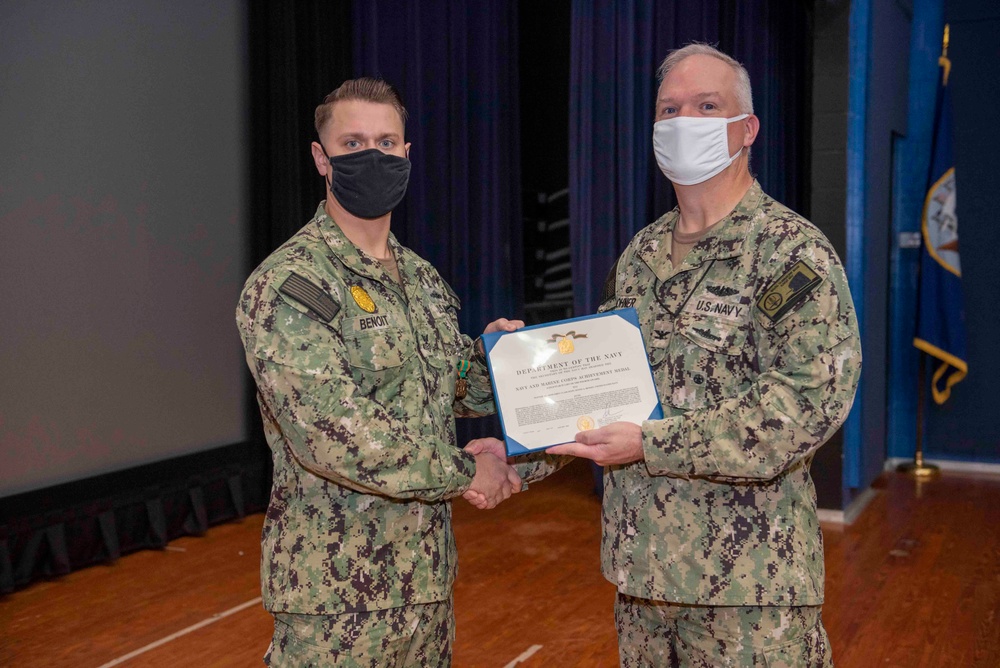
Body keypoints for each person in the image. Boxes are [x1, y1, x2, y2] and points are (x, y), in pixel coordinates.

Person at [547, 44, 862, 666]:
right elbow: (602, 387)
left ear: (746, 129)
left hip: (749, 589)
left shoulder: (790, 253)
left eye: (705, 105)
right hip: (643, 581)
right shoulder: (640, 256)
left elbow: (805, 407)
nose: (682, 120)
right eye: (669, 109)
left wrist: (654, 443)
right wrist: (520, 437)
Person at [235, 77, 522, 667]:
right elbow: (333, 436)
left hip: (426, 586)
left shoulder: (420, 278)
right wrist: (468, 470)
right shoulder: (291, 284)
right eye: (354, 143)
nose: (374, 155)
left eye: (387, 143)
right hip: (336, 602)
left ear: (407, 155)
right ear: (322, 158)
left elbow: (443, 390)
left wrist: (500, 363)